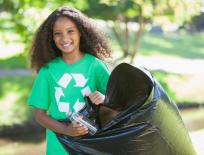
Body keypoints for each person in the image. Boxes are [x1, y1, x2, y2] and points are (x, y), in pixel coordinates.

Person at [27, 6, 111, 155]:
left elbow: (117, 102)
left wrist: (104, 98)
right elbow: (39, 114)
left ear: (81, 32)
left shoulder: (95, 66)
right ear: (51, 38)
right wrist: (66, 130)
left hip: (92, 144)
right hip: (59, 146)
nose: (64, 38)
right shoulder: (48, 71)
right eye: (57, 33)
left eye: (70, 31)